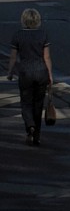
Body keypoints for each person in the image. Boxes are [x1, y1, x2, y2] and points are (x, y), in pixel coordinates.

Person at [7, 8, 54, 146]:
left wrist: (10, 72)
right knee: (38, 104)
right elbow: (47, 57)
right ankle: (37, 136)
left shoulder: (18, 35)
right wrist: (50, 75)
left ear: (23, 20)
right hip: (41, 72)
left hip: (25, 72)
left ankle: (29, 126)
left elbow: (13, 57)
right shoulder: (43, 34)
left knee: (26, 102)